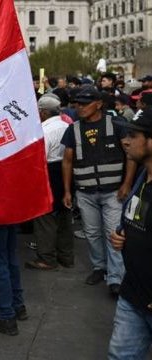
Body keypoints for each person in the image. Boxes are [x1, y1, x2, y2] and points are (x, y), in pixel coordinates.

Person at [61, 87, 137, 295]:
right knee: (92, 233)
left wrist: (126, 184)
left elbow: (130, 156)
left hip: (113, 192)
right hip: (85, 192)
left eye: (85, 103)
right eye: (78, 103)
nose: (80, 107)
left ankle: (115, 279)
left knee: (113, 234)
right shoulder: (73, 129)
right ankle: (99, 267)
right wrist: (68, 191)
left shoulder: (117, 125)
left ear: (99, 104)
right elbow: (67, 161)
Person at [108, 108, 152, 359]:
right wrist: (123, 235)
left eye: (134, 135)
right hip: (132, 294)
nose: (125, 140)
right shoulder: (143, 176)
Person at [26, 95, 74, 270]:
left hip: (50, 172)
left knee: (44, 217)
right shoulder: (67, 125)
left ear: (43, 112)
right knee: (64, 214)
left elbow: (40, 159)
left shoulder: (44, 131)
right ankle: (66, 256)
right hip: (67, 173)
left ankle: (46, 258)